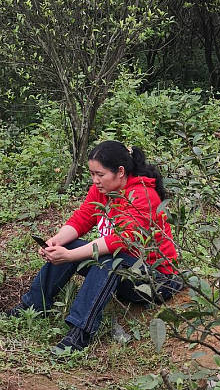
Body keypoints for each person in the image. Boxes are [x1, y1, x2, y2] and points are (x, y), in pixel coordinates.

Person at [11, 140, 181, 354]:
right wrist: (57, 241)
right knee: (76, 246)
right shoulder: (103, 189)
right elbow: (82, 218)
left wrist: (70, 255)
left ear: (120, 171)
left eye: (100, 174)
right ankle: (34, 305)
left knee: (110, 260)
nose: (95, 180)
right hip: (126, 270)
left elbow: (119, 242)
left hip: (156, 281)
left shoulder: (142, 196)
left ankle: (80, 333)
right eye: (92, 174)